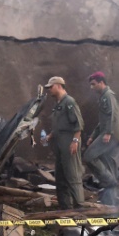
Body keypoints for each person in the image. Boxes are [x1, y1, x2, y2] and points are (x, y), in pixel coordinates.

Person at [42, 76, 85, 210]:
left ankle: (79, 208)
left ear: (59, 86)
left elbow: (78, 124)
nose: (49, 90)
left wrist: (75, 141)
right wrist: (50, 135)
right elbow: (59, 125)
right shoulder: (58, 104)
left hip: (69, 142)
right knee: (60, 178)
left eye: (51, 87)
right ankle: (66, 208)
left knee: (72, 175)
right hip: (59, 143)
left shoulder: (69, 102)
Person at [83, 71, 119, 205]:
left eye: (93, 84)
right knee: (109, 166)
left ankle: (110, 182)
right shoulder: (103, 96)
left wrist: (108, 132)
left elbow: (111, 115)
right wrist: (93, 136)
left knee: (88, 156)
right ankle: (111, 203)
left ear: (101, 82)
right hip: (113, 134)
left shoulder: (107, 96)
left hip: (112, 135)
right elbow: (102, 121)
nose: (92, 87)